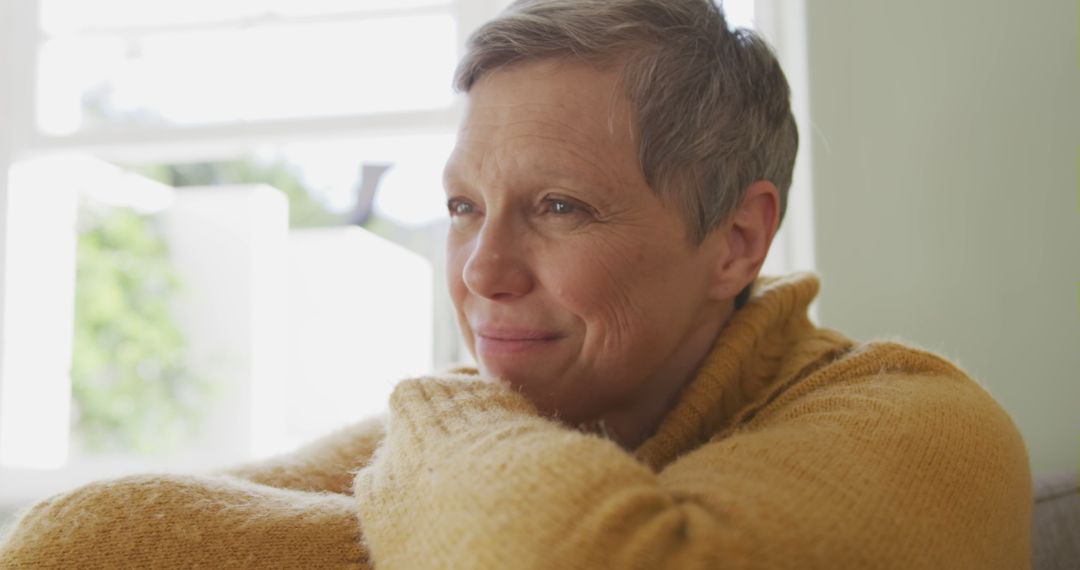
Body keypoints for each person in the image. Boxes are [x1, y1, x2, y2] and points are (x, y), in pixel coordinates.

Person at [0, 0, 1032, 568]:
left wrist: (441, 420)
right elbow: (79, 545)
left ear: (736, 238)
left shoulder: (924, 427)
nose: (479, 273)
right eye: (460, 208)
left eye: (559, 207)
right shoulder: (519, 419)